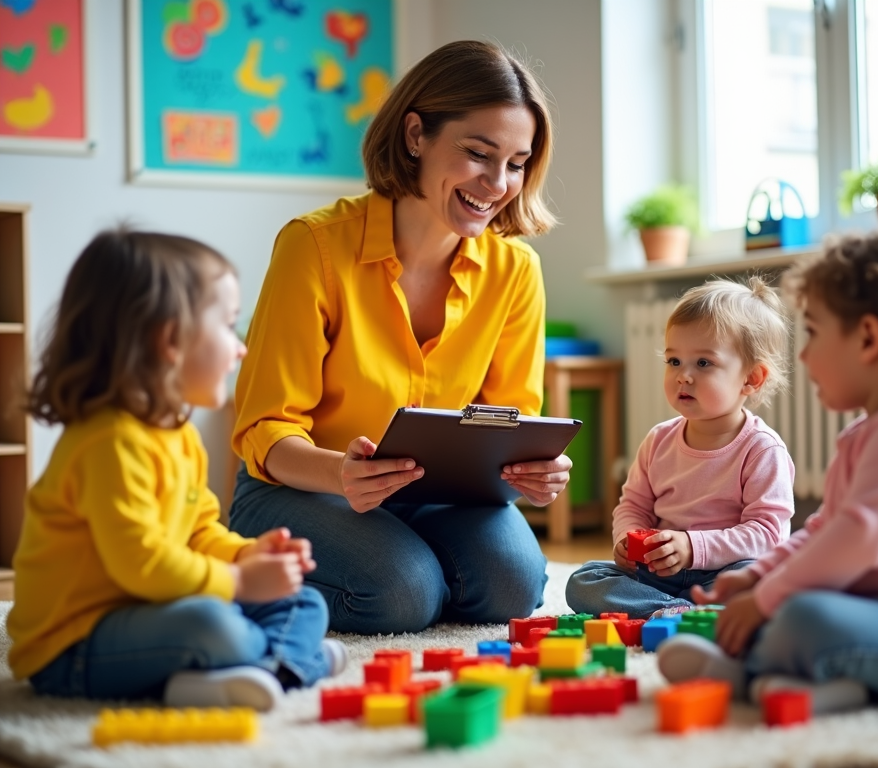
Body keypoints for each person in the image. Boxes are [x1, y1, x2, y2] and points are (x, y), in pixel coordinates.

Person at [229, 40, 570, 634]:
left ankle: (403, 556)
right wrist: (342, 474)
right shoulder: (312, 247)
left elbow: (508, 420)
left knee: (513, 584)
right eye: (478, 153)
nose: (497, 183)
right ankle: (257, 571)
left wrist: (529, 471)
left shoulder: (516, 271)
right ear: (416, 136)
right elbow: (266, 429)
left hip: (437, 494)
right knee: (402, 595)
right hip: (302, 487)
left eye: (517, 163)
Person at [658, 232, 878, 712]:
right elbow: (825, 529)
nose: (803, 355)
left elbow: (856, 540)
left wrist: (766, 598)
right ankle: (828, 688)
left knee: (803, 615)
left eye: (813, 331)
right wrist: (760, 576)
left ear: (868, 338)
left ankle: (744, 676)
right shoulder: (871, 432)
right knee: (797, 605)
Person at [6, 229, 346, 712]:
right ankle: (291, 662)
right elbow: (142, 564)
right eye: (228, 327)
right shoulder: (109, 442)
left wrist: (246, 555)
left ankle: (270, 667)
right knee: (214, 626)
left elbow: (199, 530)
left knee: (304, 602)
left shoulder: (179, 434)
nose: (240, 347)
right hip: (74, 643)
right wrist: (239, 583)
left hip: (155, 606)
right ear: (169, 340)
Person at [565, 277, 795, 619]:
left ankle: (701, 610)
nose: (683, 376)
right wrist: (627, 539)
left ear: (751, 378)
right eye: (674, 361)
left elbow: (768, 535)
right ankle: (677, 611)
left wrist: (693, 547)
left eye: (703, 363)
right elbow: (634, 505)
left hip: (724, 573)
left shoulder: (762, 450)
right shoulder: (658, 441)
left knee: (766, 579)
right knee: (583, 580)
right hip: (658, 576)